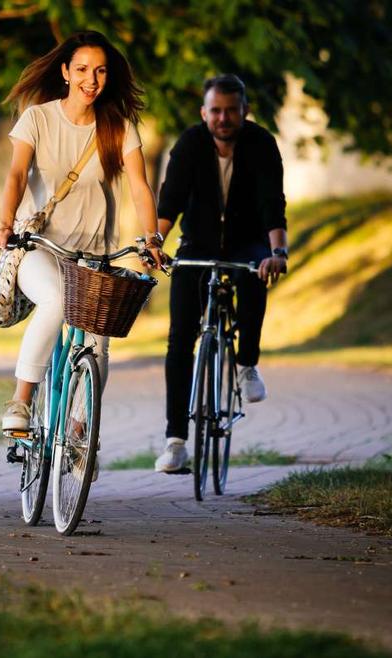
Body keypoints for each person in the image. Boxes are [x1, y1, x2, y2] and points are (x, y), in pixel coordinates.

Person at [0, 31, 165, 467]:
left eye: (101, 70)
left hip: (95, 257)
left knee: (99, 347)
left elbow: (141, 188)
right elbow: (16, 174)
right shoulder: (37, 119)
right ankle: (21, 401)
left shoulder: (118, 127)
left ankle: (80, 430)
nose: (92, 79)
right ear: (65, 72)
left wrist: (151, 238)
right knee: (55, 302)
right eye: (83, 70)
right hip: (41, 250)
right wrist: (5, 223)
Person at [154, 74, 288, 473]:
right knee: (180, 341)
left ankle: (246, 364)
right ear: (204, 113)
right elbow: (170, 202)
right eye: (216, 111)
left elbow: (272, 205)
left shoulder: (261, 144)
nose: (224, 118)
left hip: (248, 242)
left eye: (231, 110)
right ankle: (176, 442)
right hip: (198, 243)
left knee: (254, 275)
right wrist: (155, 244)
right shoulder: (190, 144)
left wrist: (277, 252)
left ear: (244, 111)